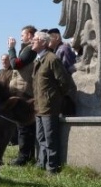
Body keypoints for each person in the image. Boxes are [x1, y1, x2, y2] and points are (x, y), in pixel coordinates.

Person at [30, 29, 74, 174]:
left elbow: (64, 81)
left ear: (43, 42)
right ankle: (42, 163)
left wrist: (54, 98)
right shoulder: (38, 60)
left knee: (50, 138)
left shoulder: (52, 59)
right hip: (38, 106)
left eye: (35, 39)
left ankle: (52, 167)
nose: (31, 41)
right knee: (40, 137)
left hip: (49, 106)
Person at [7, 25, 37, 166]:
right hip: (21, 91)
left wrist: (11, 48)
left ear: (30, 35)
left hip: (24, 92)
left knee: (24, 127)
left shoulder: (30, 50)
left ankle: (24, 157)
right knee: (23, 127)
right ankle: (25, 155)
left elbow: (16, 64)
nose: (20, 38)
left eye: (23, 35)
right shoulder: (26, 49)